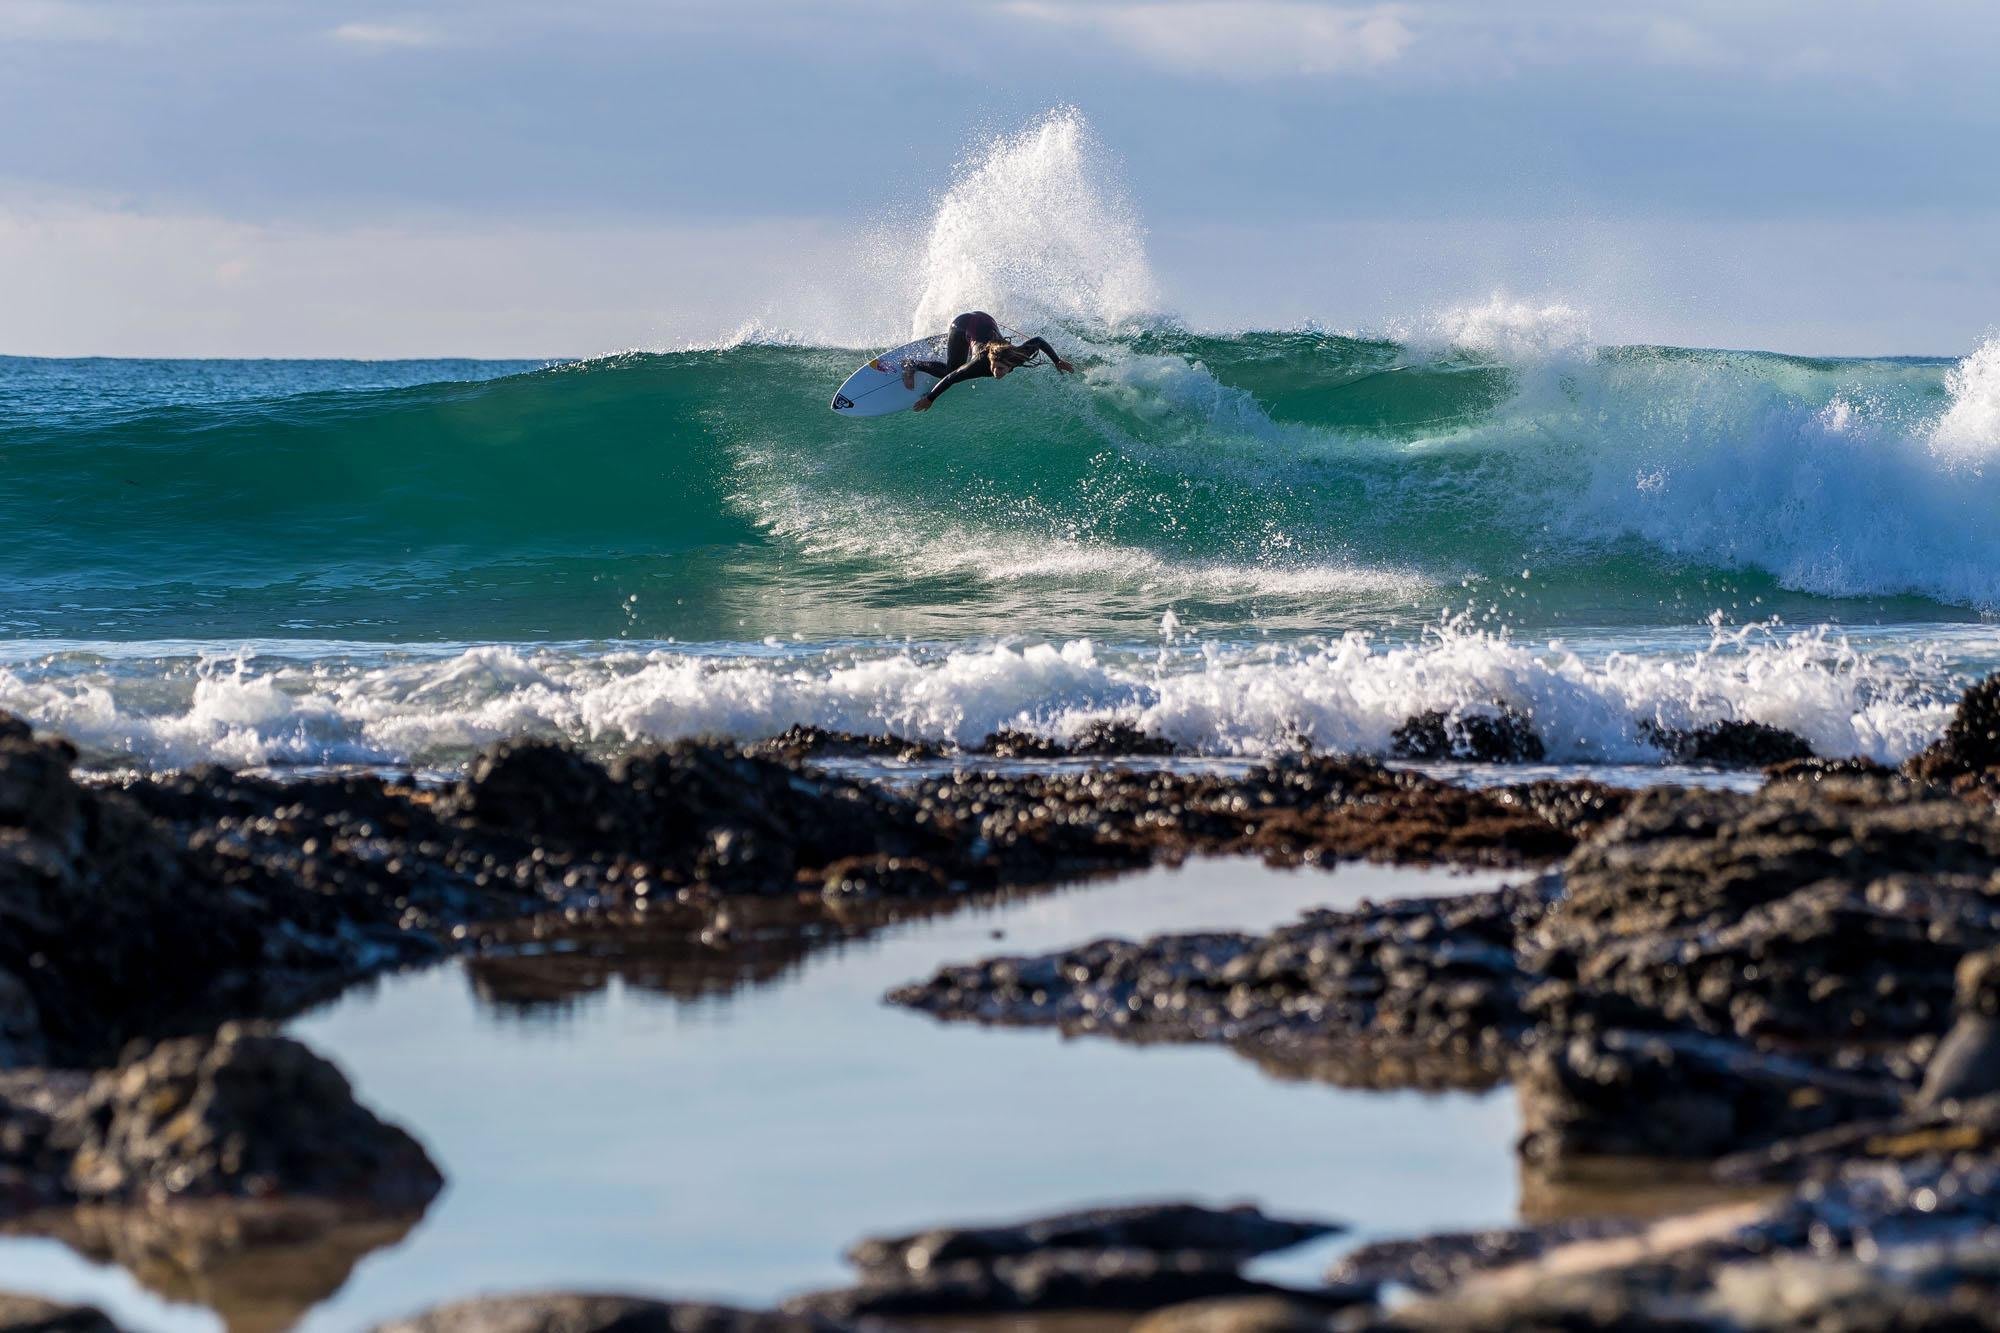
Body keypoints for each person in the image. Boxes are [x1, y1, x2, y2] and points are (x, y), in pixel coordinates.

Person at [901, 310, 1075, 411]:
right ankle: (911, 364)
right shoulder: (981, 364)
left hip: (985, 319)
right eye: (995, 367)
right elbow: (951, 378)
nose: (996, 373)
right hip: (962, 325)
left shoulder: (1016, 356)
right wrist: (930, 398)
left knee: (968, 352)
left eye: (1000, 369)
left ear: (1010, 365)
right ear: (990, 361)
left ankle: (952, 343)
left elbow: (1038, 341)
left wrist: (1057, 360)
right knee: (951, 368)